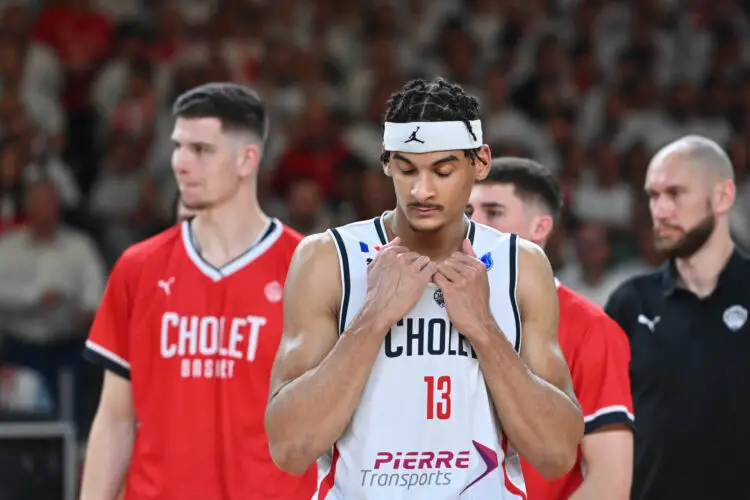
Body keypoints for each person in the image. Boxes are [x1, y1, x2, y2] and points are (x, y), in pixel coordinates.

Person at [265, 78, 583, 499]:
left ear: (481, 162)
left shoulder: (520, 264)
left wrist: (484, 329)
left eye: (443, 170)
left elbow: (557, 454)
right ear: (385, 162)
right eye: (406, 168)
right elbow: (289, 448)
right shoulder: (327, 258)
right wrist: (373, 318)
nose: (422, 190)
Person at [80, 83, 316, 500]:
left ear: (247, 160)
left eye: (201, 150)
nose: (181, 165)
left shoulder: (309, 265)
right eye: (178, 147)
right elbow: (115, 417)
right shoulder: (138, 267)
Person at [468, 157, 634, 500]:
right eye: (467, 212)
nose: (474, 226)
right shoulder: (433, 310)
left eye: (494, 212)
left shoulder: (591, 328)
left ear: (540, 229)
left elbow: (609, 481)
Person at [605, 135, 750, 500]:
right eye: (653, 196)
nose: (661, 210)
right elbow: (599, 428)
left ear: (723, 197)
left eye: (675, 193)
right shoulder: (630, 303)